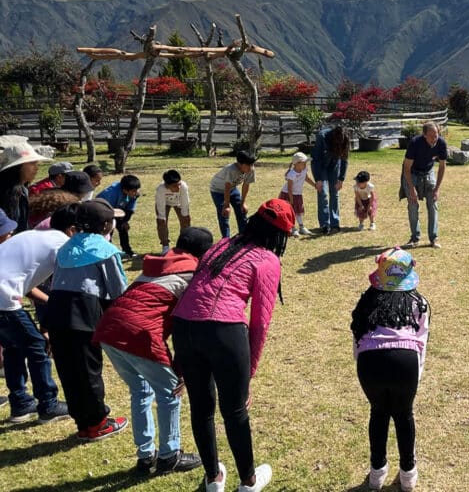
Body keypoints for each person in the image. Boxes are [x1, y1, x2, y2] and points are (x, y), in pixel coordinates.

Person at [172, 199, 292, 492]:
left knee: (201, 408)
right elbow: (260, 321)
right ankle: (248, 481)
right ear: (280, 235)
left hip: (184, 326)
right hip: (223, 330)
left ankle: (213, 478)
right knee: (235, 410)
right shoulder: (267, 259)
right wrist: (247, 373)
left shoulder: (220, 245)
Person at [94, 227, 214, 476]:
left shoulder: (153, 267)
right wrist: (180, 371)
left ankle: (145, 456)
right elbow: (186, 329)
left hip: (108, 328)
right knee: (169, 393)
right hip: (140, 333)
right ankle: (170, 455)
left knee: (141, 390)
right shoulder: (191, 275)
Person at [42, 199, 129, 441]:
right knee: (89, 370)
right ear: (105, 225)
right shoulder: (105, 249)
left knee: (68, 370)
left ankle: (83, 423)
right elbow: (118, 290)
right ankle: (98, 424)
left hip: (57, 311)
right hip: (83, 313)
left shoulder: (66, 246)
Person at [351, 248, 429, 492]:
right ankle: (408, 475)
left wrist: (361, 364)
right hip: (406, 361)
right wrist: (417, 372)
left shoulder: (367, 300)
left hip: (369, 363)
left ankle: (376, 473)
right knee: (404, 415)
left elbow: (357, 336)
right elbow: (422, 341)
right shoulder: (419, 302)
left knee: (378, 413)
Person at [0, 206, 74, 425]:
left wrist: (49, 303)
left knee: (13, 347)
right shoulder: (62, 245)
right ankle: (48, 405)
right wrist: (48, 325)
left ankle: (21, 404)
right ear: (72, 230)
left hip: (4, 295)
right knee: (37, 346)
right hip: (3, 298)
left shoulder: (34, 236)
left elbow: (26, 283)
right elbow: (62, 288)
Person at [402, 122, 447, 248]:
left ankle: (434, 238)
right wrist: (411, 189)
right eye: (431, 136)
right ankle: (414, 238)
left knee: (433, 204)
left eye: (436, 135)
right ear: (424, 135)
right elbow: (406, 168)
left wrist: (437, 189)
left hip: (428, 172)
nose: (434, 139)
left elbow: (442, 166)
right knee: (413, 205)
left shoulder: (441, 143)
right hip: (412, 173)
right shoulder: (415, 143)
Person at [0, 142, 51, 233]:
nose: (36, 168)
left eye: (37, 164)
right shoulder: (6, 192)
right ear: (16, 167)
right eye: (32, 163)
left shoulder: (22, 189)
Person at [209, 151, 257, 239]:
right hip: (218, 190)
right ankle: (226, 239)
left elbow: (246, 185)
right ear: (240, 164)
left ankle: (244, 236)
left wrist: (243, 203)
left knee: (241, 210)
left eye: (252, 164)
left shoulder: (251, 169)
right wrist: (226, 205)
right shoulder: (231, 170)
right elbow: (226, 188)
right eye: (248, 165)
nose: (251, 167)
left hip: (232, 188)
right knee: (224, 213)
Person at [312, 125, 350, 235]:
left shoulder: (345, 139)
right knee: (322, 193)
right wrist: (318, 179)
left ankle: (335, 223)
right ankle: (324, 224)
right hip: (322, 166)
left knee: (335, 193)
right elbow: (316, 159)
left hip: (334, 166)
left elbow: (344, 159)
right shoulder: (321, 137)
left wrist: (341, 179)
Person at [98, 174, 141, 258]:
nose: (136, 193)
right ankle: (108, 253)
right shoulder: (111, 193)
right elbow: (107, 211)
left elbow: (130, 209)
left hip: (117, 210)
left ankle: (127, 251)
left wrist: (125, 221)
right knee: (109, 231)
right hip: (103, 211)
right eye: (134, 191)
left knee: (123, 228)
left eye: (137, 190)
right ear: (125, 190)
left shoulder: (134, 194)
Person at [155, 170, 192, 255]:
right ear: (167, 185)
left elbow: (185, 202)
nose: (178, 188)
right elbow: (160, 205)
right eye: (174, 186)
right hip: (165, 203)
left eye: (179, 184)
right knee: (161, 222)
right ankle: (165, 246)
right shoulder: (161, 189)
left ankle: (183, 245)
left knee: (186, 221)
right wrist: (161, 217)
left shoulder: (183, 186)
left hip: (179, 202)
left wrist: (185, 215)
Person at [280, 152, 316, 238]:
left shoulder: (304, 171)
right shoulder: (291, 174)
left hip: (298, 194)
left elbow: (306, 178)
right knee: (291, 211)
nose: (305, 165)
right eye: (304, 163)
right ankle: (292, 228)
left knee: (298, 211)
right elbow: (289, 189)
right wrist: (291, 200)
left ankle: (301, 227)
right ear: (297, 164)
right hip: (288, 194)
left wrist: (314, 185)